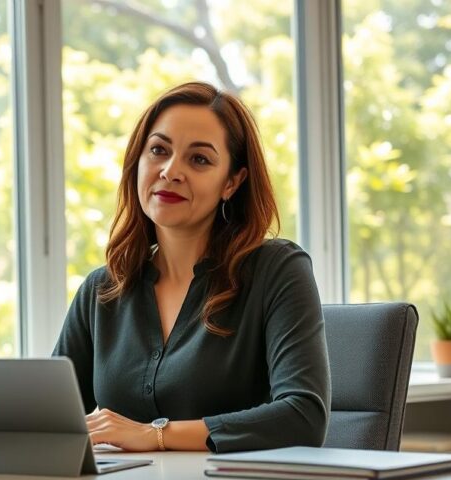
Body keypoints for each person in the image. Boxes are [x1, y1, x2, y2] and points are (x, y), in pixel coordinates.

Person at [53, 81, 330, 453]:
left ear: (232, 182)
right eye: (158, 150)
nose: (170, 171)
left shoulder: (277, 271)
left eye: (199, 159)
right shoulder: (102, 290)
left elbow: (304, 417)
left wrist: (155, 436)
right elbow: (52, 417)